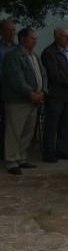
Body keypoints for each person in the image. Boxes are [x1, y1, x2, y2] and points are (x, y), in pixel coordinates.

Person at [2, 27, 47, 175]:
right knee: (14, 132)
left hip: (33, 101)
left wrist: (43, 91)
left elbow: (43, 74)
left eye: (36, 39)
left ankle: (21, 158)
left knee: (27, 131)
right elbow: (16, 78)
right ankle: (11, 161)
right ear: (22, 39)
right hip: (18, 101)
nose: (35, 41)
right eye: (32, 38)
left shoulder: (34, 56)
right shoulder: (14, 56)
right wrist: (30, 92)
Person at [41, 27, 68, 162]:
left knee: (67, 123)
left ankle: (63, 150)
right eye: (65, 36)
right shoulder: (49, 52)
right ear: (56, 37)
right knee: (52, 124)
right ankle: (49, 152)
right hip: (57, 94)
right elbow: (54, 74)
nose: (67, 39)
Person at [0, 19, 17, 160]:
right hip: (2, 88)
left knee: (12, 122)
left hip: (16, 92)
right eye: (8, 30)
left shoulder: (18, 47)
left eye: (13, 30)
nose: (11, 33)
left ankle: (12, 151)